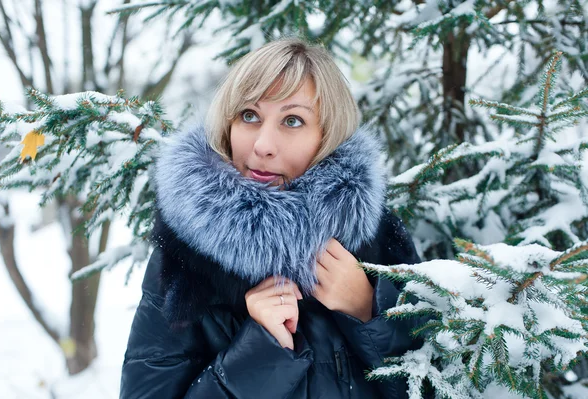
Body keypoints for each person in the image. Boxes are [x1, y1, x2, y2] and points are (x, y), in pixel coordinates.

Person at [120, 37, 425, 399]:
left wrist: (369, 311)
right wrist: (258, 353)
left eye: (292, 120)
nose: (263, 144)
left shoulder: (375, 233)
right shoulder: (186, 257)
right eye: (250, 116)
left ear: (327, 136)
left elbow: (438, 384)